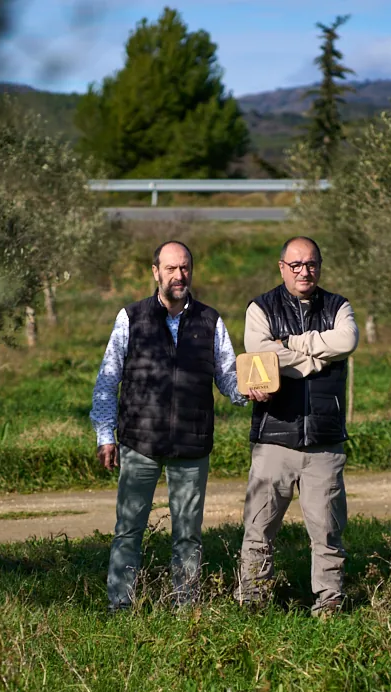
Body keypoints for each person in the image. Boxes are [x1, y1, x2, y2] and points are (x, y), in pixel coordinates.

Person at [90, 240, 247, 612]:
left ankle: (184, 607)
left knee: (188, 537)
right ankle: (120, 606)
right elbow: (107, 380)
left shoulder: (211, 321)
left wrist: (252, 392)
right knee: (128, 530)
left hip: (192, 447)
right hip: (139, 443)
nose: (180, 276)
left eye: (185, 268)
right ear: (156, 272)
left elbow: (227, 377)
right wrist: (105, 434)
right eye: (172, 269)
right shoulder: (130, 317)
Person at [238, 236, 359, 617]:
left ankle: (329, 603)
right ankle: (253, 601)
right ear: (282, 267)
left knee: (327, 532)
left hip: (324, 440)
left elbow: (347, 339)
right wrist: (313, 360)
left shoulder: (339, 306)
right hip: (274, 436)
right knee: (258, 528)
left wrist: (291, 343)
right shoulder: (261, 308)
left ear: (319, 266)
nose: (304, 271)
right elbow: (260, 350)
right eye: (296, 265)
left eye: (311, 265)